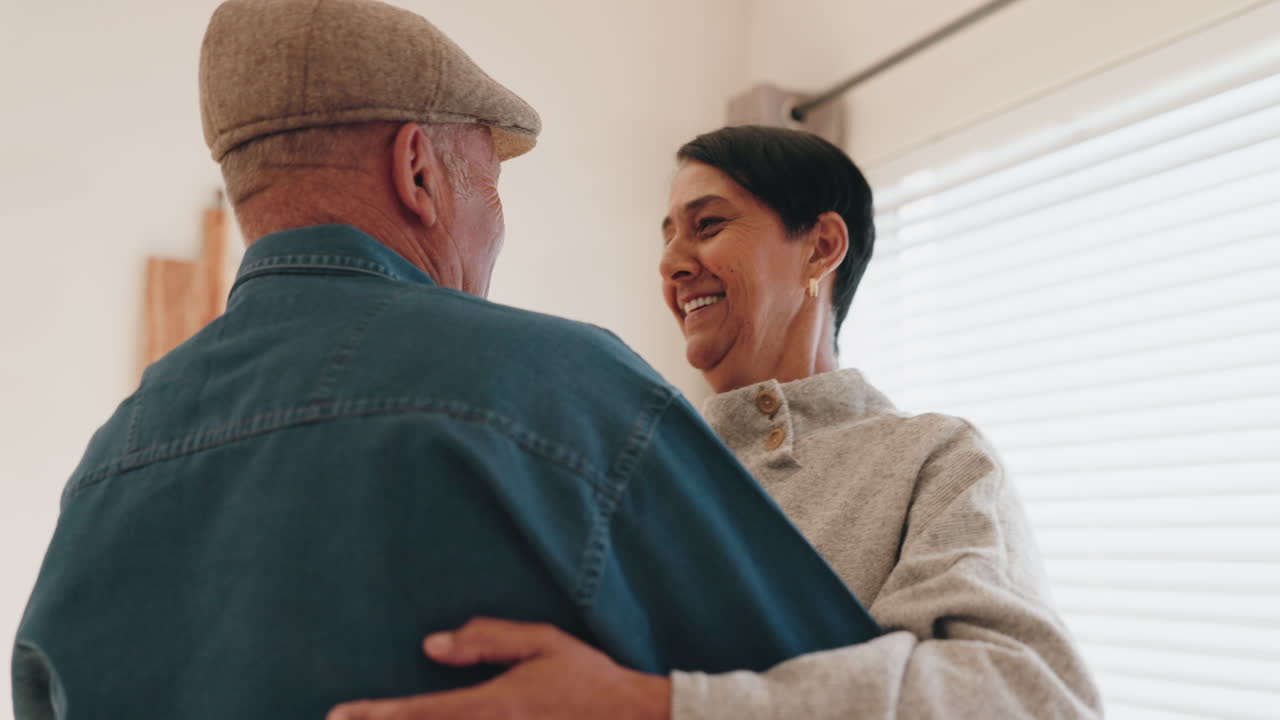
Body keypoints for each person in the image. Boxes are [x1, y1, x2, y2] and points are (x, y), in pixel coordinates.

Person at [10, 5, 883, 719]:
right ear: (417, 170)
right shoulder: (566, 396)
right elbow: (837, 683)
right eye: (490, 186)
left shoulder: (108, 464)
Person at [333, 126, 1104, 720]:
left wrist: (659, 706)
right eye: (667, 236)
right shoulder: (628, 462)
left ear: (821, 247)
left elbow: (1019, 697)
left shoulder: (930, 461)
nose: (672, 261)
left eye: (706, 225)